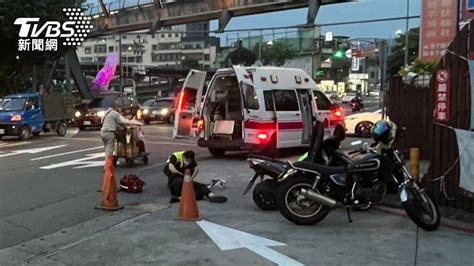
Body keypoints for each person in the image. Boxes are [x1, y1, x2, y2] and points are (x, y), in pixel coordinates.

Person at [100, 100, 141, 167]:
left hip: (103, 132)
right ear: (116, 107)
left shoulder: (106, 113)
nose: (120, 109)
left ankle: (107, 164)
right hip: (109, 133)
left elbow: (111, 123)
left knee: (107, 149)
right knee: (109, 150)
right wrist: (127, 127)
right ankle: (107, 166)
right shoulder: (114, 113)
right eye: (119, 107)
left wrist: (119, 127)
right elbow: (122, 122)